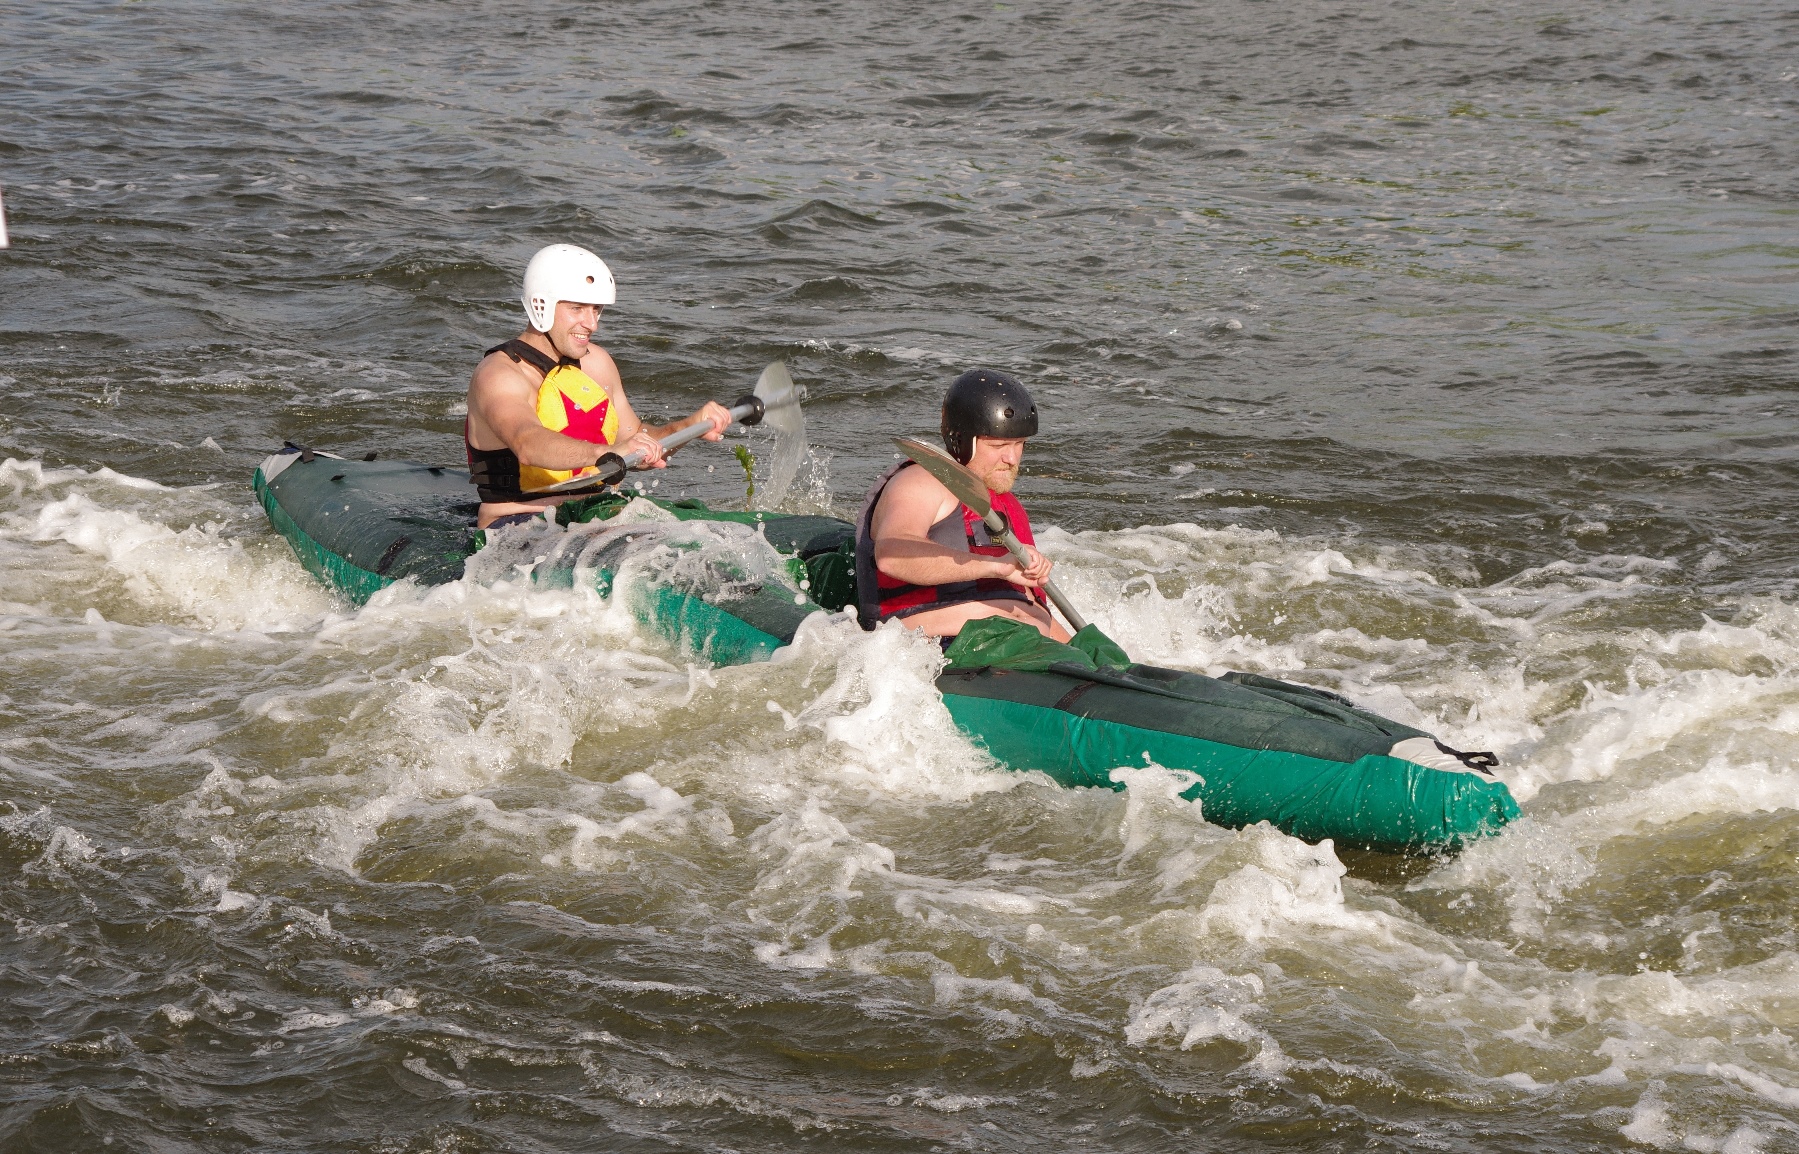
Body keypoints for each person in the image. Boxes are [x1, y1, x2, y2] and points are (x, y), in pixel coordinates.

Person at [464, 244, 731, 529]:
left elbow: (636, 443)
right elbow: (527, 443)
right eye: (577, 308)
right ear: (541, 305)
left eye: (596, 309)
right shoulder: (499, 374)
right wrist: (602, 454)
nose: (591, 324)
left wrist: (690, 426)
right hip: (516, 525)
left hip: (594, 515)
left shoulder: (597, 363)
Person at [855, 369, 1070, 642]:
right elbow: (892, 554)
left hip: (1028, 648)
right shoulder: (923, 480)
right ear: (962, 441)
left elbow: (1032, 606)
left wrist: (1086, 656)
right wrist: (994, 566)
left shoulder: (1007, 505)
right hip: (948, 648)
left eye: (1019, 444)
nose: (1012, 458)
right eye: (999, 445)